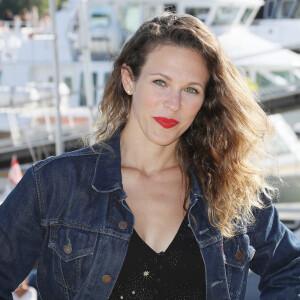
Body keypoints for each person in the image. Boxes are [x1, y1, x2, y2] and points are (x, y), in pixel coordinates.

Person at [0, 12, 299, 300]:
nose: (173, 104)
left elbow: (291, 266)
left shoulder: (226, 186)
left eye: (191, 90)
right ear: (129, 80)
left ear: (204, 99)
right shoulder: (54, 184)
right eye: (160, 82)